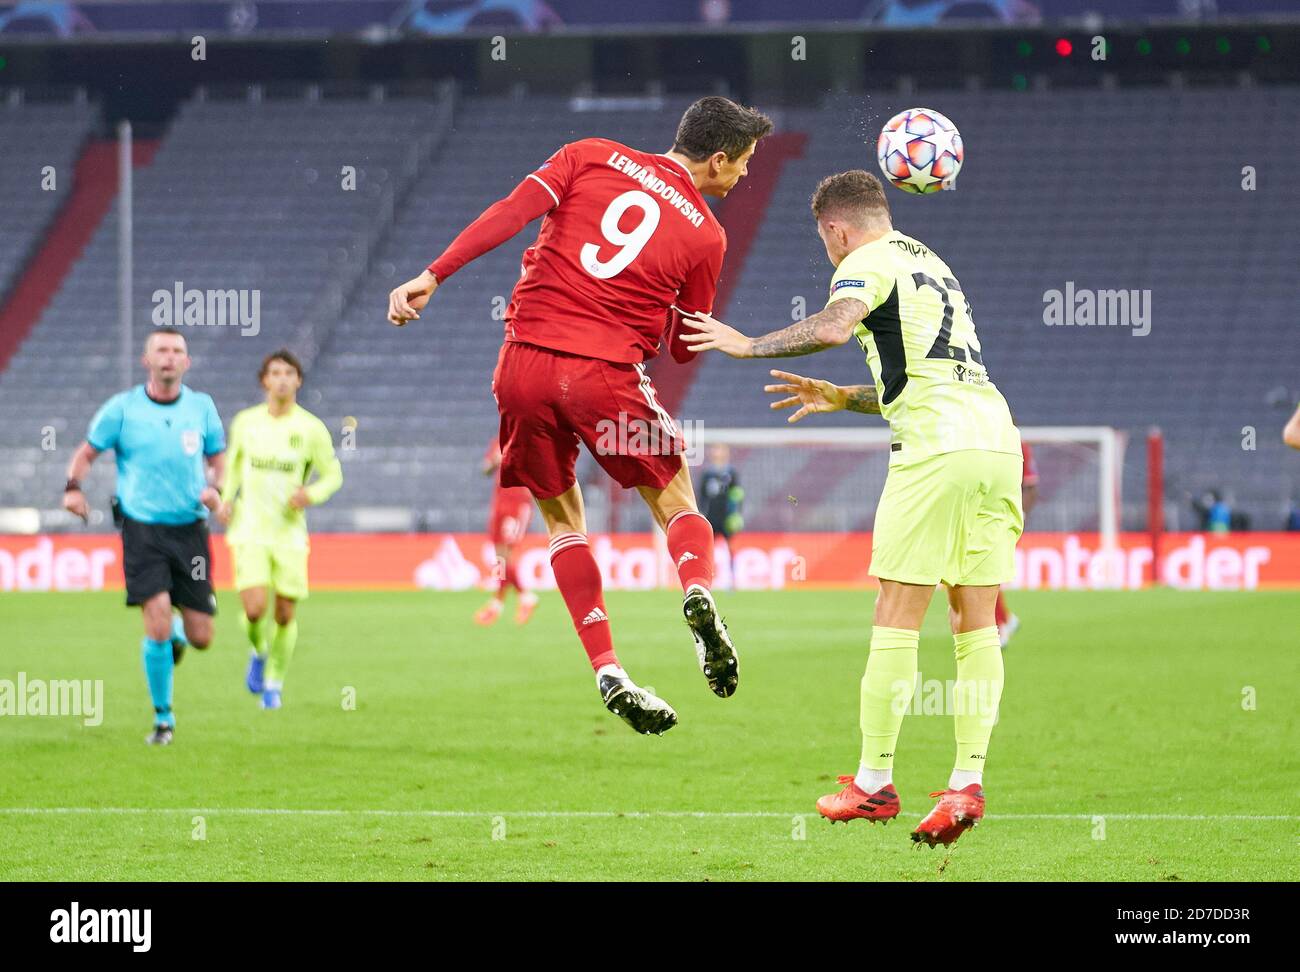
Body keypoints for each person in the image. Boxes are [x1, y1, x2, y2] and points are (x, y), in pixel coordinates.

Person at [387, 97, 773, 734]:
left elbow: (511, 214)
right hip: (601, 376)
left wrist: (434, 275)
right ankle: (697, 589)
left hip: (521, 368)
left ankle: (607, 668)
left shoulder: (589, 154)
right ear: (718, 159)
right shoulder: (707, 234)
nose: (745, 177)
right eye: (745, 164)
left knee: (563, 523)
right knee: (677, 499)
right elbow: (683, 343)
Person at [682, 169, 1023, 847]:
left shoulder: (864, 262)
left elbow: (837, 326)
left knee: (896, 611)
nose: (829, 253)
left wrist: (748, 344)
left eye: (824, 241)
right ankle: (967, 781)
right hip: (998, 443)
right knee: (975, 618)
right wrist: (844, 397)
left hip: (935, 453)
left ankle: (873, 783)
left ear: (836, 228)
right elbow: (927, 374)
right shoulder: (930, 261)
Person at [62, 328, 225, 745]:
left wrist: (216, 489)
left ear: (187, 362)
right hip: (142, 529)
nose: (169, 358)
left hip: (190, 530)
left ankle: (177, 635)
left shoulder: (202, 408)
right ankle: (163, 720)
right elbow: (86, 453)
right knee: (154, 620)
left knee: (202, 636)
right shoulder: (122, 409)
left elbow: (218, 460)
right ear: (146, 361)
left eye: (177, 351)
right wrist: (73, 489)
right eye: (161, 351)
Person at [217, 350, 343, 710]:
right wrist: (226, 499)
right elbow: (235, 467)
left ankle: (274, 682)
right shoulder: (245, 423)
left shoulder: (310, 428)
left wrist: (311, 493)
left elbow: (333, 474)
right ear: (265, 381)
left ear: (298, 381)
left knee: (285, 614)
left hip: (289, 534)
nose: (283, 379)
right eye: (276, 373)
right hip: (250, 530)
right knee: (255, 609)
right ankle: (258, 651)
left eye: (290, 373)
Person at [475, 434, 539, 626]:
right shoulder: (499, 440)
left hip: (518, 501)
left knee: (506, 555)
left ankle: (506, 600)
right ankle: (510, 599)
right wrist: (494, 463)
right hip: (500, 502)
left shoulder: (528, 438)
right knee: (500, 558)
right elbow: (485, 470)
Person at [995, 440, 1038, 647]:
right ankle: (1006, 620)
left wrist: (1019, 516)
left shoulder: (1018, 445)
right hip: (987, 518)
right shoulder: (980, 438)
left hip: (1002, 520)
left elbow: (1031, 487)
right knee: (984, 572)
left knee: (983, 573)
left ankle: (999, 627)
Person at [698, 443, 744, 583]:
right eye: (716, 450)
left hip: (726, 517)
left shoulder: (731, 473)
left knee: (730, 548)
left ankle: (732, 580)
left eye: (721, 450)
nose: (718, 453)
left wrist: (736, 515)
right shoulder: (707, 474)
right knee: (706, 550)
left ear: (726, 453)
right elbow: (702, 496)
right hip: (710, 517)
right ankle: (704, 579)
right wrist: (700, 515)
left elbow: (737, 495)